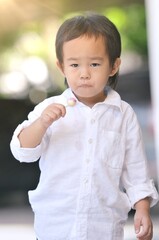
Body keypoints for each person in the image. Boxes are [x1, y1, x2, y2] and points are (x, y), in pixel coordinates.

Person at [10, 12, 158, 240]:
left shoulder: (123, 114)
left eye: (95, 64)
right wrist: (41, 124)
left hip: (104, 227)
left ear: (113, 66)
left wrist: (142, 208)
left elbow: (136, 170)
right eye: (75, 65)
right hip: (55, 226)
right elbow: (22, 151)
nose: (84, 74)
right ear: (62, 67)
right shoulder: (50, 108)